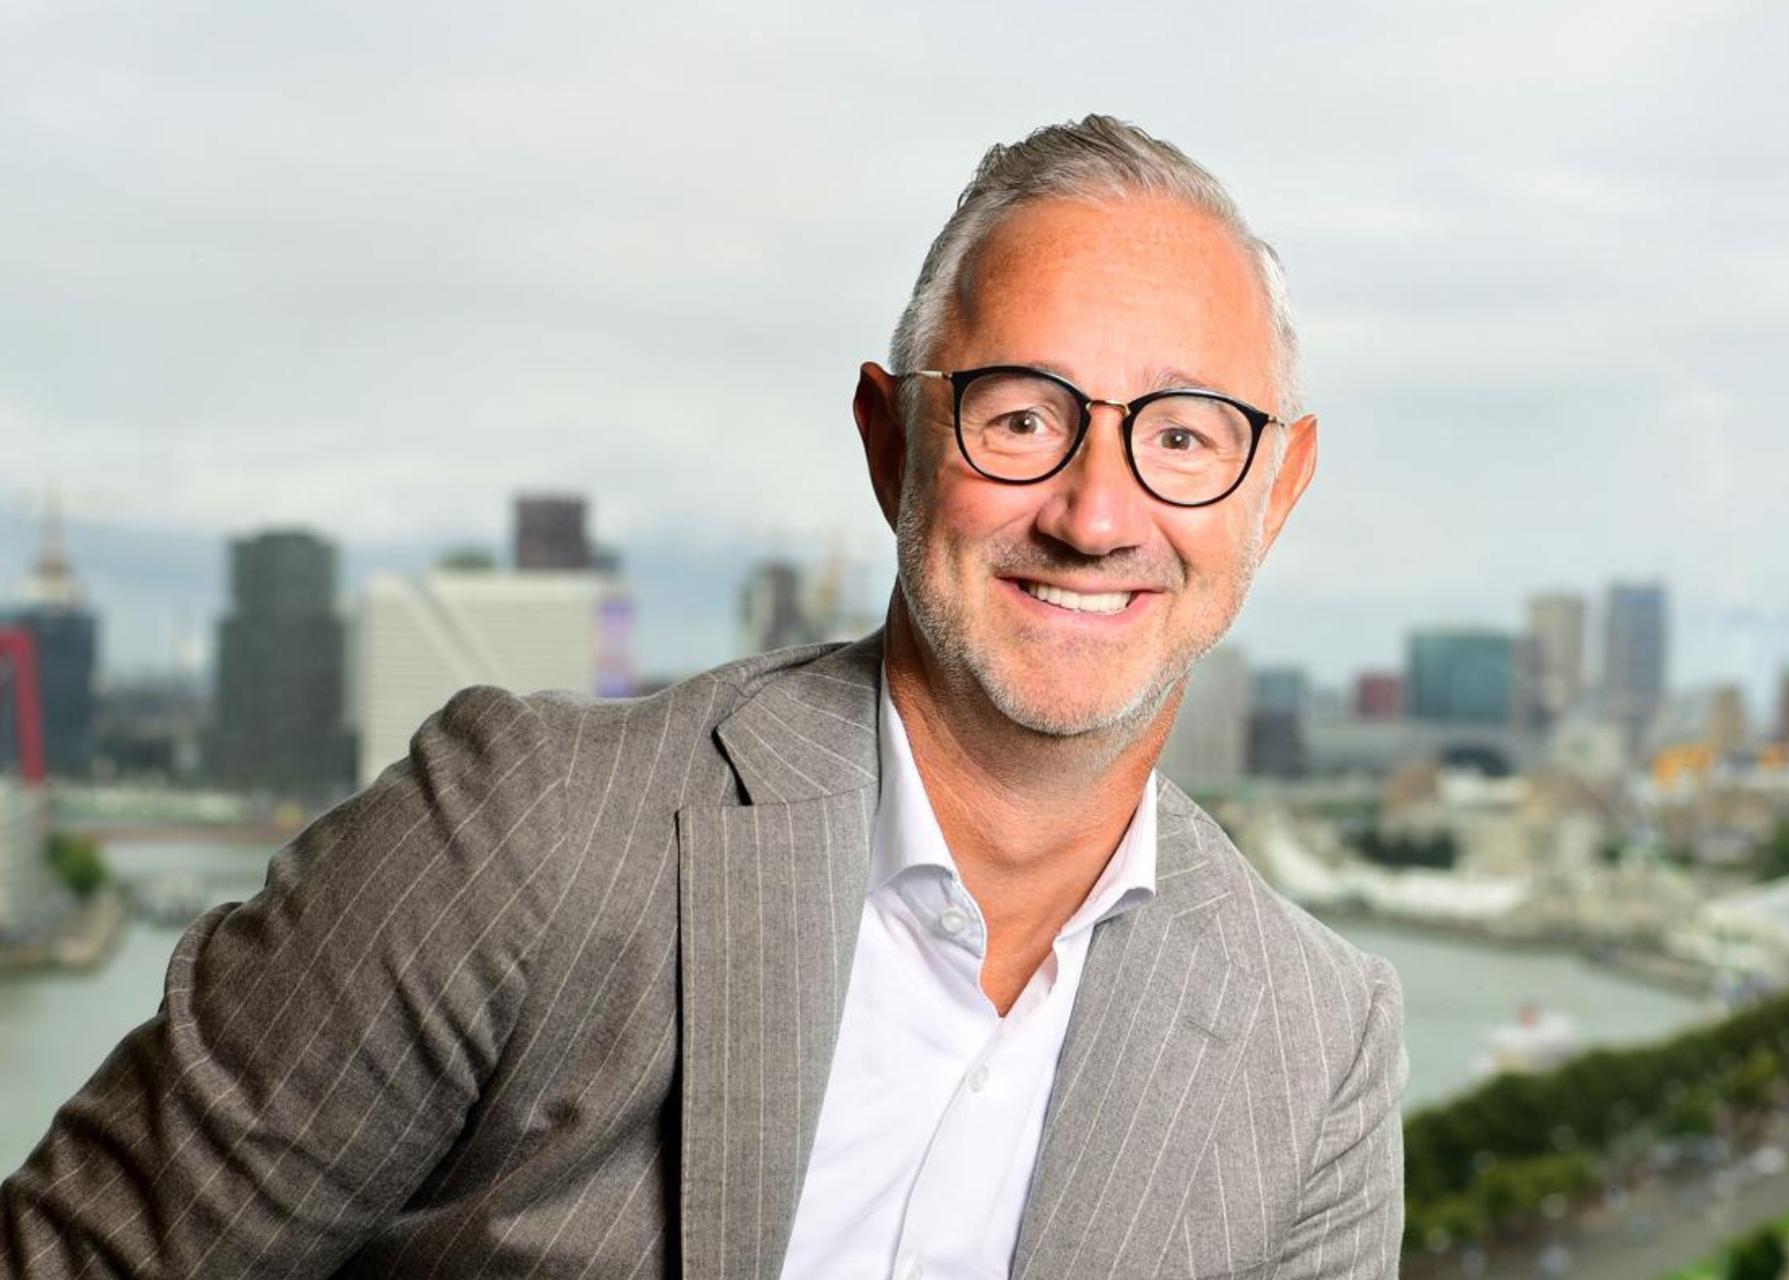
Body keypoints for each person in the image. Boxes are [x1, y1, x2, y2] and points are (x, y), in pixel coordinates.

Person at [2, 114, 1405, 1279]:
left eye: (1186, 438)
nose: (1096, 515)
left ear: (1278, 492)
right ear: (891, 440)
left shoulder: (1318, 1051)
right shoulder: (530, 832)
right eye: (1023, 418)